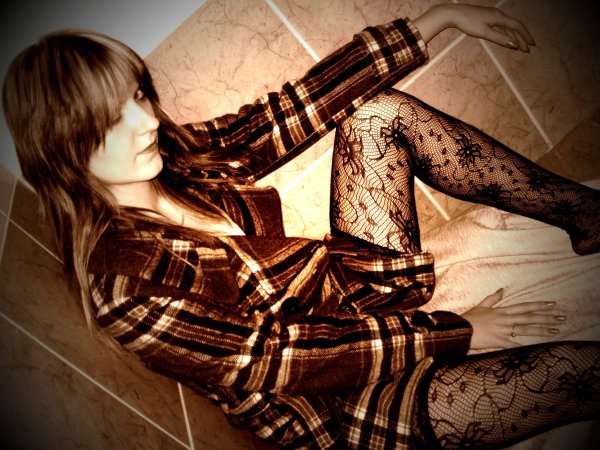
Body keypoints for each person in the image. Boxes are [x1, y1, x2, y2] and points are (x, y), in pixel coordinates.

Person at [3, 3, 599, 449]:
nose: (146, 122)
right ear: (61, 151)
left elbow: (287, 111)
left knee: (376, 116)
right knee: (578, 373)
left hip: (350, 298)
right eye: (112, 120)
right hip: (342, 406)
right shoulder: (125, 287)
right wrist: (458, 333)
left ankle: (586, 216)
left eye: (138, 96)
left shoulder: (177, 161)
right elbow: (279, 358)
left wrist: (435, 20)